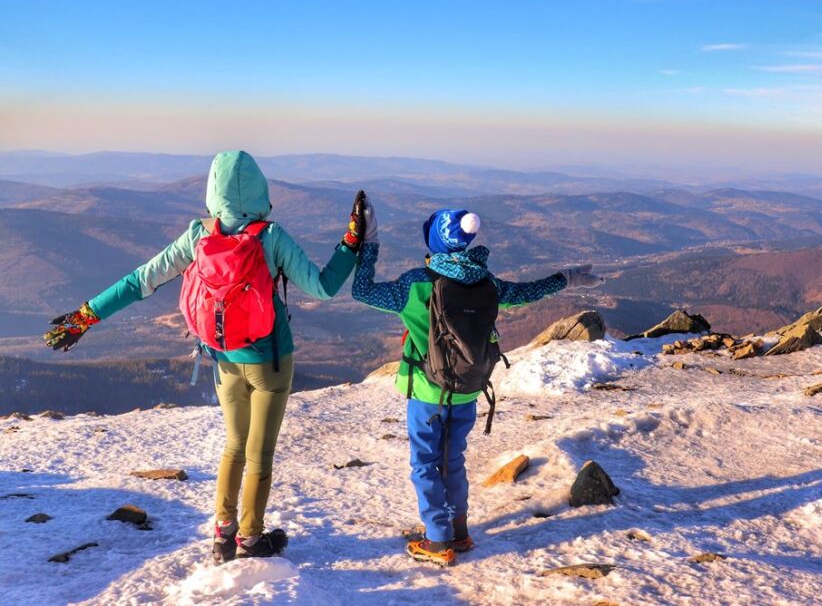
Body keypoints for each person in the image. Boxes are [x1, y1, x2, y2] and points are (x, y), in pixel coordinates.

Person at [43, 150, 367, 563]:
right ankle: (250, 539)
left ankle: (223, 536)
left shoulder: (198, 235)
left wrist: (86, 316)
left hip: (224, 360)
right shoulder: (270, 236)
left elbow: (140, 280)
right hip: (270, 362)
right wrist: (350, 243)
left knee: (233, 446)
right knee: (259, 454)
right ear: (260, 190)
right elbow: (322, 287)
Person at [351, 201, 602, 566]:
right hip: (469, 387)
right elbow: (526, 292)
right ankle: (460, 531)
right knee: (453, 460)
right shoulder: (486, 281)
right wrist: (568, 277)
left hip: (427, 392)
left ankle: (438, 540)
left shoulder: (416, 285)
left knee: (425, 463)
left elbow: (362, 291)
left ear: (435, 239)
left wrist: (369, 242)